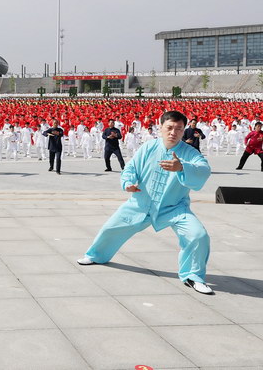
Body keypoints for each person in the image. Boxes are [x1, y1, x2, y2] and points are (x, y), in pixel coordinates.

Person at [78, 111, 214, 295]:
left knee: (198, 235)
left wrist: (182, 166)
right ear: (161, 127)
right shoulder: (148, 147)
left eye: (179, 129)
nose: (174, 132)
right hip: (141, 202)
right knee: (111, 227)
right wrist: (128, 183)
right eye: (169, 128)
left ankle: (193, 276)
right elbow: (131, 168)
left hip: (174, 207)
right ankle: (96, 255)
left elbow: (204, 170)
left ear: (184, 131)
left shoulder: (190, 153)